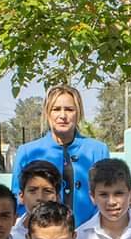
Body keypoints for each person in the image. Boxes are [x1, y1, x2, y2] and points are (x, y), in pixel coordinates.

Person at [11, 85, 110, 222]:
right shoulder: (27, 152)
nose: (63, 116)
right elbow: (17, 200)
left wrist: (90, 228)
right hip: (40, 230)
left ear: (78, 113)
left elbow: (106, 195)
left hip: (89, 231)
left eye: (69, 109)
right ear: (47, 113)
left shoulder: (98, 150)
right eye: (56, 109)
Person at [12, 160, 61, 239]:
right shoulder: (10, 236)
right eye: (32, 190)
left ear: (57, 197)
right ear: (22, 196)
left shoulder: (65, 235)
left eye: (47, 191)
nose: (40, 197)